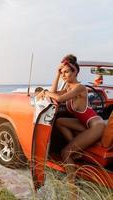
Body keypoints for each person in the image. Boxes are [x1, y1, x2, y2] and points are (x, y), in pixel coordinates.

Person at [44, 54, 105, 199]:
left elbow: (57, 98)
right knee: (60, 122)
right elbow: (54, 94)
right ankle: (78, 151)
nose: (64, 75)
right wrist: (56, 75)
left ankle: (73, 192)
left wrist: (45, 92)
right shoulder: (69, 87)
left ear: (75, 72)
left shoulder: (79, 87)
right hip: (87, 124)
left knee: (65, 153)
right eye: (62, 72)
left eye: (66, 72)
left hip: (96, 125)